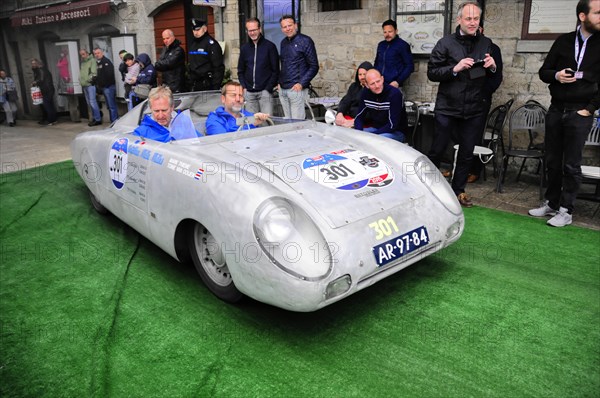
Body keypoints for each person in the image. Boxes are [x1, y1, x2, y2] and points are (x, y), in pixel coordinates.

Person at [529, 0, 600, 227]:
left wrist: (589, 109)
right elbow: (544, 72)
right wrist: (557, 75)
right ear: (582, 16)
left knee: (571, 164)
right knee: (552, 161)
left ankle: (566, 210)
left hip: (580, 112)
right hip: (557, 109)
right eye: (598, 12)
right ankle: (551, 202)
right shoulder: (563, 41)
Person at [427, 1, 499, 208]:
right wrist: (455, 68)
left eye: (476, 18)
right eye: (468, 18)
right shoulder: (445, 43)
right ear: (459, 20)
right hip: (448, 106)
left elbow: (486, 74)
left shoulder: (486, 42)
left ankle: (457, 190)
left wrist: (492, 67)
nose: (473, 22)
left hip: (474, 107)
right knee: (438, 149)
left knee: (467, 152)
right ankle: (428, 187)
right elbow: (432, 73)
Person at [469, 24, 504, 183]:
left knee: (475, 135)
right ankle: (457, 165)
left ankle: (475, 169)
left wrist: (484, 93)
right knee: (457, 134)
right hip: (462, 98)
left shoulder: (492, 48)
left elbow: (497, 77)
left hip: (481, 98)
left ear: (482, 29)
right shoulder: (464, 46)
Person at [278, 14, 319, 120]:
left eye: (290, 25)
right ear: (281, 29)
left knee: (297, 124)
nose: (287, 29)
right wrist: (279, 82)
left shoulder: (306, 41)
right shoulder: (283, 43)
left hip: (297, 90)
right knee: (287, 122)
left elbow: (314, 66)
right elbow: (284, 65)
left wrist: (301, 84)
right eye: (284, 27)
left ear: (295, 25)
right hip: (283, 89)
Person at [238, 17, 280, 115]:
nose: (252, 33)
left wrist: (268, 88)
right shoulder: (244, 48)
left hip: (265, 92)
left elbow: (276, 70)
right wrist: (244, 87)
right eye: (249, 30)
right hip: (249, 93)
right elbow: (240, 70)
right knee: (251, 122)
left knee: (267, 121)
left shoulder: (270, 46)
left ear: (260, 29)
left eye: (254, 30)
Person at [353, 69, 406, 142]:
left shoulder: (394, 94)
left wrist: (372, 135)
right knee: (353, 135)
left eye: (378, 81)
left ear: (382, 79)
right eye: (372, 84)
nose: (377, 86)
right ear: (367, 85)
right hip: (376, 129)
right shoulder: (365, 93)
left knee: (375, 140)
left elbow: (392, 125)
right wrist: (359, 132)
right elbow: (359, 117)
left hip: (396, 132)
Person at [132, 86, 198, 142]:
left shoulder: (184, 122)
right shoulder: (141, 133)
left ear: (172, 107)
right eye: (156, 111)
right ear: (151, 109)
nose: (160, 115)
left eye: (164, 110)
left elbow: (200, 143)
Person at [205, 81, 270, 135]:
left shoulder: (249, 115)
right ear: (223, 99)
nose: (238, 99)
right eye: (233, 95)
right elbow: (224, 142)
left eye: (240, 95)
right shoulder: (214, 119)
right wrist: (251, 124)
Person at [374, 19, 414, 88]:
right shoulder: (381, 45)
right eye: (385, 32)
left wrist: (398, 81)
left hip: (394, 85)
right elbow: (376, 63)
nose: (387, 34)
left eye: (390, 32)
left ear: (396, 31)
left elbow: (409, 66)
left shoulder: (403, 45)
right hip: (379, 84)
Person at [188, 19, 225, 92]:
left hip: (208, 83)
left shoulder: (211, 44)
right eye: (194, 30)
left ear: (205, 29)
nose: (195, 32)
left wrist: (215, 87)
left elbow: (218, 67)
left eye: (198, 30)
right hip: (195, 83)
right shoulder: (193, 44)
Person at [334, 61, 373, 128]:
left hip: (363, 121)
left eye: (364, 74)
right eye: (360, 74)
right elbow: (346, 101)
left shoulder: (373, 89)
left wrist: (355, 121)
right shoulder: (354, 86)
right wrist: (340, 113)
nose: (362, 77)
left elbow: (370, 112)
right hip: (349, 118)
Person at [93, 48, 119, 122]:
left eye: (98, 53)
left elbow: (110, 75)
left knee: (111, 106)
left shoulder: (106, 62)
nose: (97, 55)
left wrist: (105, 85)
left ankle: (114, 122)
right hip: (104, 88)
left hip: (108, 87)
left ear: (102, 53)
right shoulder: (98, 63)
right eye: (95, 53)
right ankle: (114, 121)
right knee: (109, 106)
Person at [31, 58, 58, 126]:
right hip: (48, 89)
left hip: (47, 90)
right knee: (50, 105)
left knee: (47, 105)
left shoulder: (41, 70)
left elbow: (41, 79)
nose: (33, 65)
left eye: (34, 63)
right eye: (32, 63)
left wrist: (35, 82)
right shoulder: (41, 70)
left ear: (38, 64)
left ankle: (51, 120)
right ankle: (53, 119)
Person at [78, 49, 102, 127]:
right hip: (84, 85)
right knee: (89, 103)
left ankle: (98, 119)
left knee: (92, 102)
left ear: (87, 54)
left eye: (83, 54)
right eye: (81, 55)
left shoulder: (92, 61)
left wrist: (88, 80)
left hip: (90, 84)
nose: (82, 56)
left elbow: (93, 73)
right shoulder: (83, 63)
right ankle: (94, 118)